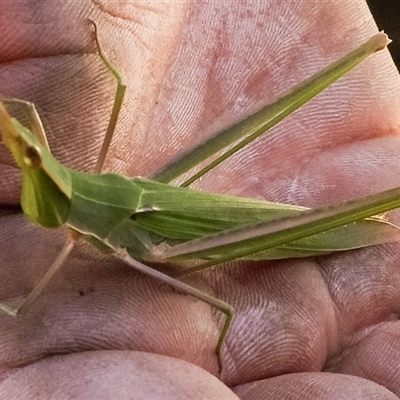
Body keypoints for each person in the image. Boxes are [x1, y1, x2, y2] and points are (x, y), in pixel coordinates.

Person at [0, 1, 399, 398]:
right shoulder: (74, 200)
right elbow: (36, 109)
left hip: (189, 238)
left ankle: (359, 204)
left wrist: (15, 308)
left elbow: (224, 308)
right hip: (140, 201)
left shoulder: (79, 223)